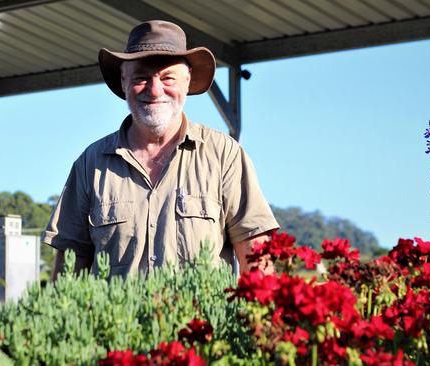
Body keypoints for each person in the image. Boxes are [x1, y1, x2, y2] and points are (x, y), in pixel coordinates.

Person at [43, 20, 279, 279]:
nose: (155, 90)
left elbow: (256, 253)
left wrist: (263, 317)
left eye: (168, 78)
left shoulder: (224, 155)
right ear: (123, 82)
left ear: (187, 82)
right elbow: (68, 268)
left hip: (201, 321)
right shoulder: (91, 163)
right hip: (116, 321)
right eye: (141, 78)